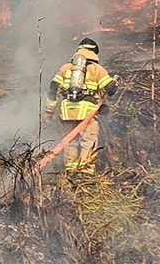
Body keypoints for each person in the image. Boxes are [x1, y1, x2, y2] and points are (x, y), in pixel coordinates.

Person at [47, 37, 118, 174]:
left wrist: (48, 113)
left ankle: (71, 171)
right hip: (87, 114)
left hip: (67, 113)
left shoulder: (65, 68)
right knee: (88, 141)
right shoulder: (97, 69)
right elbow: (110, 90)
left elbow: (53, 89)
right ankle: (85, 172)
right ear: (94, 52)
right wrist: (114, 83)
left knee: (70, 142)